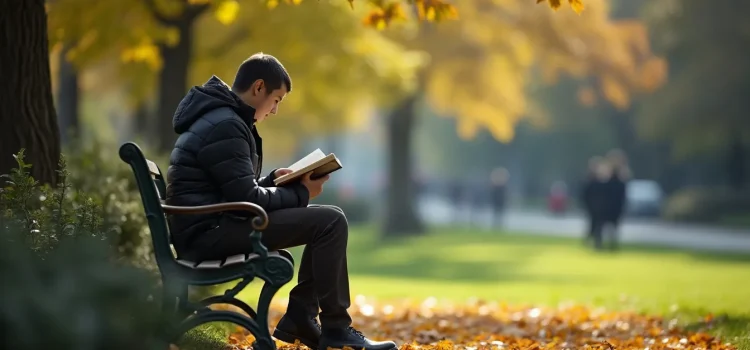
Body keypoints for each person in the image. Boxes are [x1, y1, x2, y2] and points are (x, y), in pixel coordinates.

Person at [164, 53, 397, 350]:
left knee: (330, 219)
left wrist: (273, 181)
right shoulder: (226, 124)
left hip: (211, 227)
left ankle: (306, 319)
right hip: (209, 234)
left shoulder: (221, 118)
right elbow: (244, 198)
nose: (274, 110)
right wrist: (301, 193)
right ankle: (332, 327)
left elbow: (233, 191)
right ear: (259, 87)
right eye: (276, 100)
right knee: (331, 221)